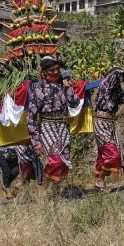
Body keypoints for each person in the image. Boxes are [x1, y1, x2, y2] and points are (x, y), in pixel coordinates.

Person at [28, 55, 80, 187]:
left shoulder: (63, 85)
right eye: (52, 71)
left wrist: (67, 85)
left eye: (58, 70)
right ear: (44, 72)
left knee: (64, 162)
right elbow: (31, 117)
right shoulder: (39, 88)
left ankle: (54, 194)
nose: (56, 73)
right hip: (47, 127)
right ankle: (45, 187)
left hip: (63, 127)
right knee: (55, 161)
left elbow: (74, 103)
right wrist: (36, 142)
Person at [93, 67, 124, 191]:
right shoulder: (105, 83)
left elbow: (123, 99)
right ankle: (100, 179)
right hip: (101, 121)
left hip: (110, 122)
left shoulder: (115, 88)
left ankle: (99, 181)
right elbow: (115, 74)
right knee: (112, 154)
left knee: (104, 153)